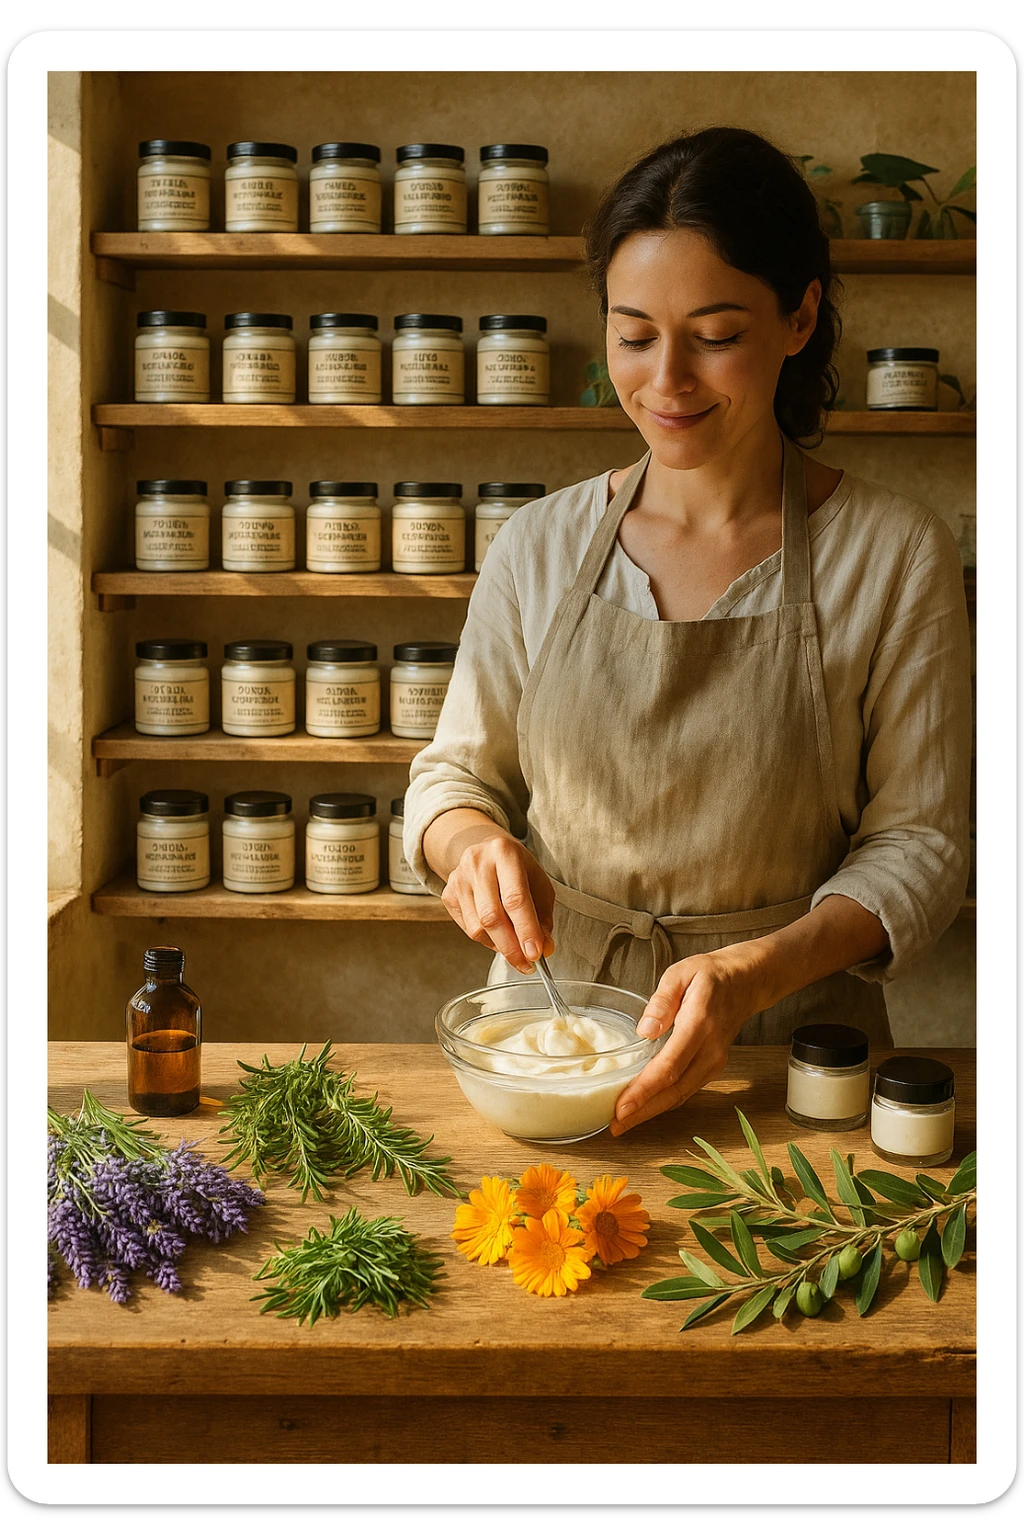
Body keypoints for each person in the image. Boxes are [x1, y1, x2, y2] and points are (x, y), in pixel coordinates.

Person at [403, 126, 972, 1137]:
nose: (665, 379)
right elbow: (450, 779)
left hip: (794, 1062)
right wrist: (471, 846)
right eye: (632, 334)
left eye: (713, 334)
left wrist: (754, 971)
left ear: (800, 317)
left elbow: (919, 844)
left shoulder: (892, 553)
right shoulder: (537, 544)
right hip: (552, 1037)